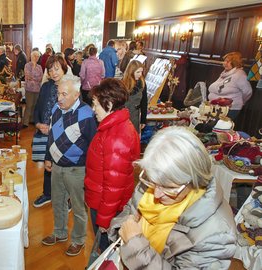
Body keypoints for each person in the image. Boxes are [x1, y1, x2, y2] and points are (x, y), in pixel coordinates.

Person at [109, 126, 236, 269]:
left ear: (195, 181)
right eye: (152, 181)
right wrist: (123, 227)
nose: (156, 194)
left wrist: (135, 245)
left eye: (169, 188)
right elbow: (128, 211)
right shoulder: (154, 182)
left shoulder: (216, 234)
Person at [41, 77, 97, 257]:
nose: (59, 98)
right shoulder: (57, 108)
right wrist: (48, 157)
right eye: (58, 93)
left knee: (79, 208)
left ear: (76, 95)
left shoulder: (87, 114)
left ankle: (79, 240)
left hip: (77, 170)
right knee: (57, 202)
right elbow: (51, 134)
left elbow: (93, 145)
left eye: (64, 94)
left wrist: (89, 171)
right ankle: (60, 233)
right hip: (57, 166)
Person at [84, 78, 141, 252]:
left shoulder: (116, 136)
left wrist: (104, 220)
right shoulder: (114, 126)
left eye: (96, 104)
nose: (93, 110)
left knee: (107, 251)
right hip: (102, 202)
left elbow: (114, 186)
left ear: (108, 104)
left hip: (106, 208)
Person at [32, 55, 67, 208]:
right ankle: (48, 194)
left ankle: (67, 197)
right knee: (48, 164)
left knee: (65, 167)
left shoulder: (72, 87)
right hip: (47, 133)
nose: (54, 73)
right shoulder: (46, 87)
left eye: (57, 68)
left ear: (64, 68)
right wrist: (39, 124)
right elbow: (38, 108)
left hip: (65, 135)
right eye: (50, 70)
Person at [208, 52, 252, 120]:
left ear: (235, 63)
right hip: (217, 108)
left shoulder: (239, 75)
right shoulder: (225, 73)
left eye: (228, 61)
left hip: (230, 109)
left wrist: (241, 101)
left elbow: (248, 91)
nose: (225, 63)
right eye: (225, 61)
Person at [122, 60, 148, 133]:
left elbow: (144, 102)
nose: (140, 74)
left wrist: (143, 120)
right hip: (124, 116)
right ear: (131, 72)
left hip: (135, 116)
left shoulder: (142, 83)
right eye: (138, 72)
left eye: (141, 72)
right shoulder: (123, 83)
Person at [22, 50, 43, 128]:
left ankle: (32, 120)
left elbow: (41, 77)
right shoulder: (27, 65)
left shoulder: (39, 67)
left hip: (37, 89)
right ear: (31, 56)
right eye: (35, 56)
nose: (36, 58)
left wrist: (33, 78)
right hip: (29, 89)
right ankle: (25, 122)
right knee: (29, 105)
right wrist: (35, 78)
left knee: (35, 105)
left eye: (38, 56)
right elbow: (28, 75)